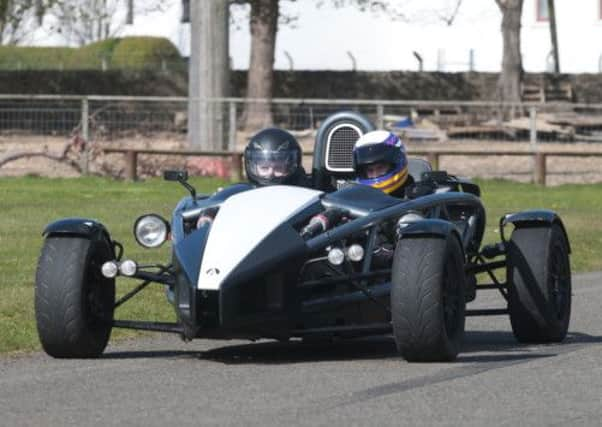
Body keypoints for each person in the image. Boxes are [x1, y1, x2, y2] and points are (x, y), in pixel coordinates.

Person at [352, 130, 414, 198]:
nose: (375, 174)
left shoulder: (417, 196)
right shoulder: (357, 199)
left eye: (380, 168)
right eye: (370, 170)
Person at [244, 128, 311, 187]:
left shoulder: (304, 193)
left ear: (290, 168)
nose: (270, 173)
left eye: (278, 168)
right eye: (264, 168)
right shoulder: (244, 195)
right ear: (252, 166)